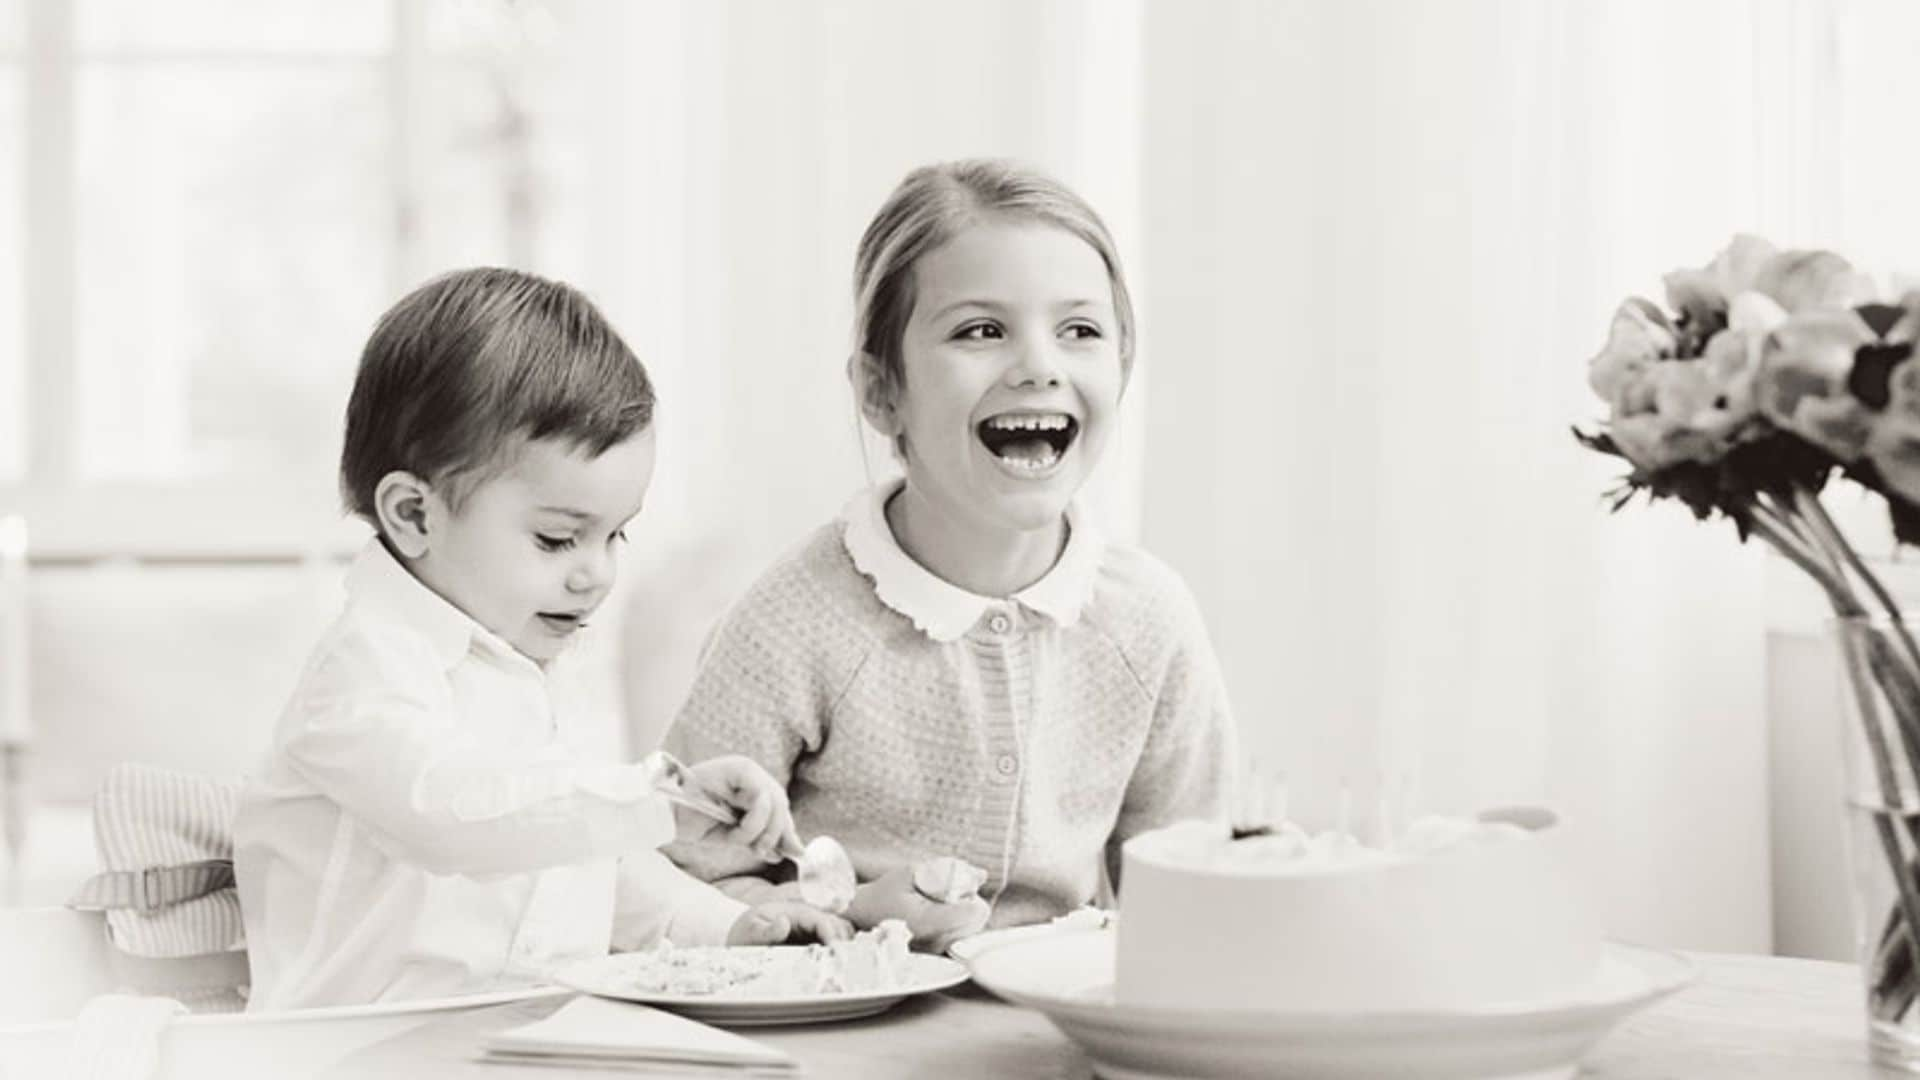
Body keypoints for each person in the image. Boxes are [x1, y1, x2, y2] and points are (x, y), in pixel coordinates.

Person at [235, 267, 847, 1011]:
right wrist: (651, 798)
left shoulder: (522, 666)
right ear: (414, 516)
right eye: (558, 539)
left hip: (520, 1042)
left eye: (615, 534)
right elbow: (451, 816)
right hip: (353, 1056)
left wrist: (733, 928)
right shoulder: (363, 673)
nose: (598, 574)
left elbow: (585, 863)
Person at [665, 160, 1236, 950]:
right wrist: (853, 915)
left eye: (1080, 331)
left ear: (1123, 368)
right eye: (981, 330)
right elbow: (677, 883)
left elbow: (1194, 901)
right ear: (880, 391)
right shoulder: (791, 622)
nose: (1040, 365)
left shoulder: (1150, 620)